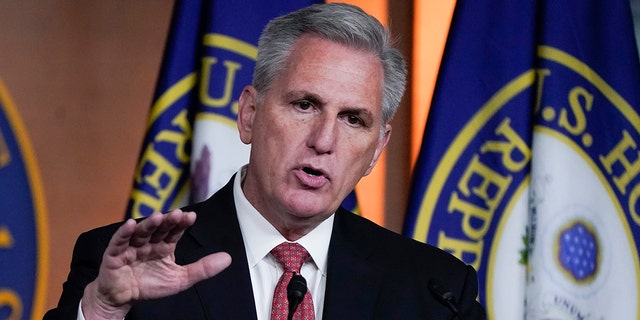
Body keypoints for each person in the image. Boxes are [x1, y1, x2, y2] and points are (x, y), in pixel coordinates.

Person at [45, 3, 486, 319]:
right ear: (250, 115)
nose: (323, 140)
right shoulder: (125, 267)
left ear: (376, 149)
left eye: (353, 119)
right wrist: (102, 311)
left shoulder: (436, 291)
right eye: (305, 105)